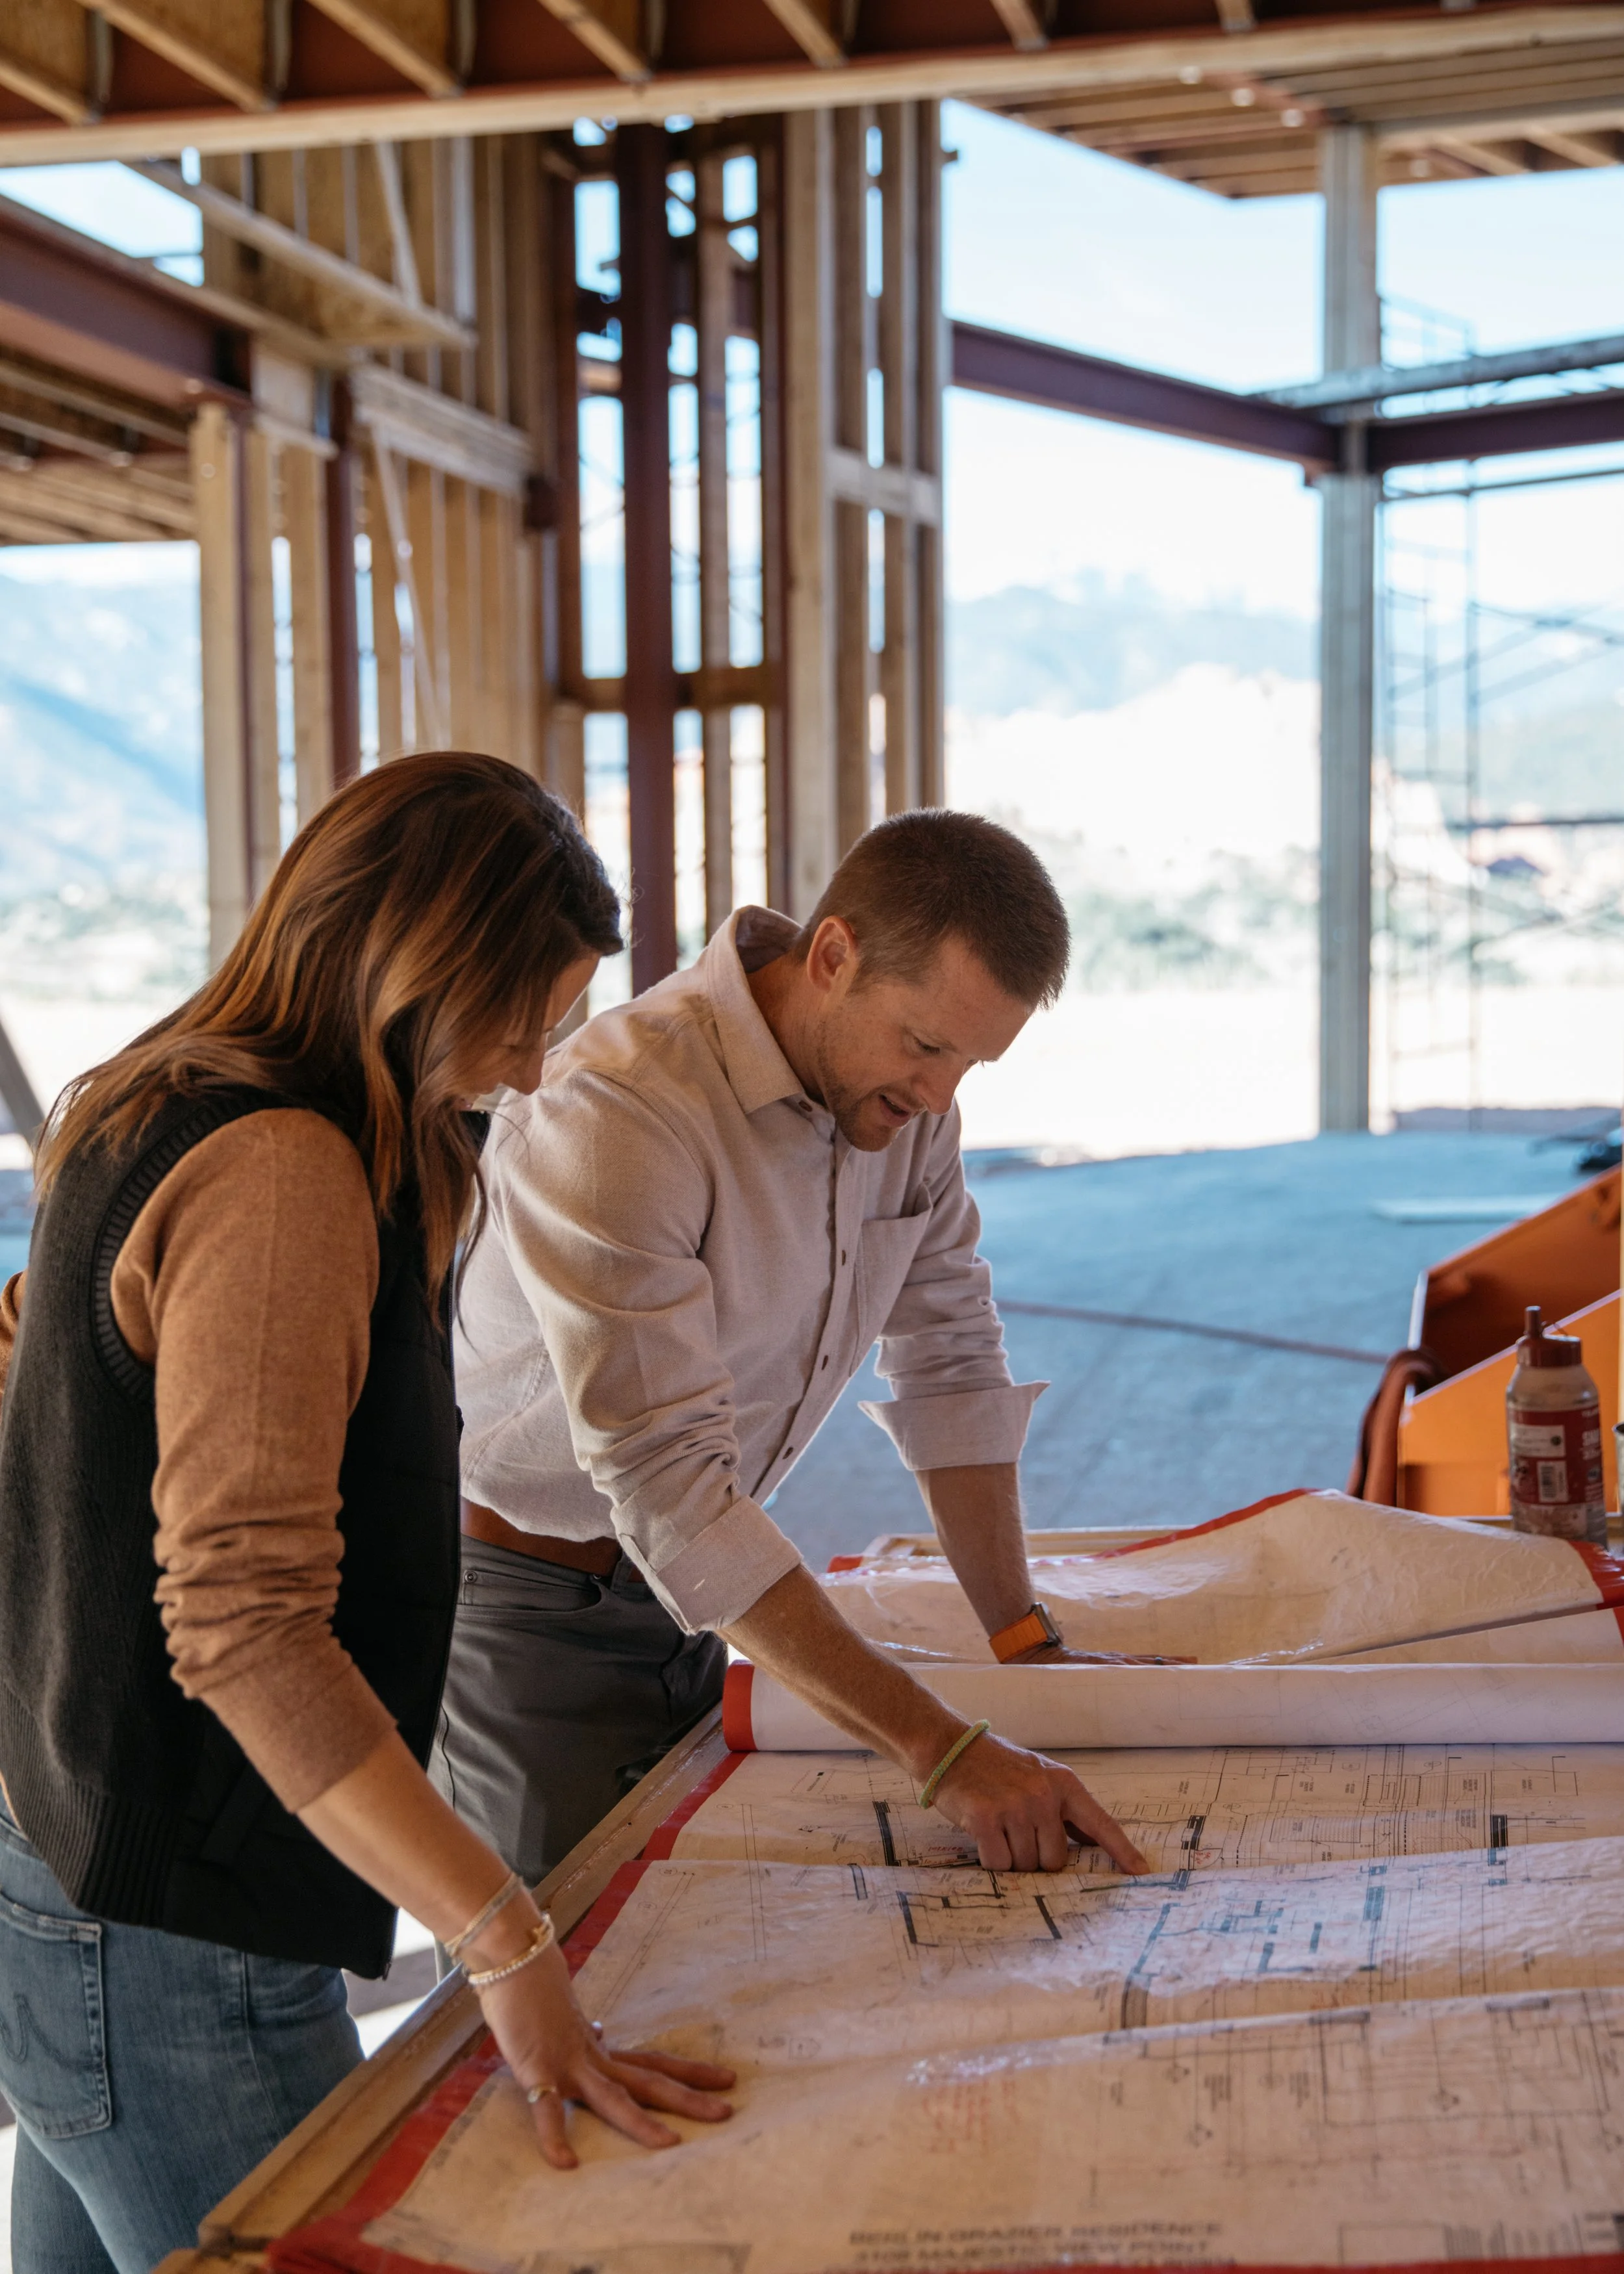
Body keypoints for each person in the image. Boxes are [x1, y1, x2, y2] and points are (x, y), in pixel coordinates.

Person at [0, 754, 733, 2274]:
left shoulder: (150, 1092)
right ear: (416, 967)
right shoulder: (283, 1171)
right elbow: (247, 1625)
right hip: (183, 1932)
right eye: (523, 1020)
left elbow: (31, 1360)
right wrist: (501, 1937)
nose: (534, 1072)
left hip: (67, 1867)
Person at [437, 808, 1152, 1890]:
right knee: (561, 1988)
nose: (937, 1097)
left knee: (681, 1945)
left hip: (712, 1595)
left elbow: (951, 1355)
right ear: (833, 956)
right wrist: (943, 1747)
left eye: (972, 1063)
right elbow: (665, 1482)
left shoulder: (905, 1107)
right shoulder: (622, 1111)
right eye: (924, 1045)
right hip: (537, 1614)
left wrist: (1022, 1640)